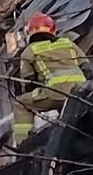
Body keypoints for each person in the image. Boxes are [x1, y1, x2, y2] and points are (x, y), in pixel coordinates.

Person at [11, 13, 88, 144]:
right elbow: (87, 68)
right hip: (81, 92)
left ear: (30, 32)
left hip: (55, 94)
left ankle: (23, 144)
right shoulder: (68, 43)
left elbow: (29, 83)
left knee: (20, 104)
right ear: (53, 30)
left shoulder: (29, 51)